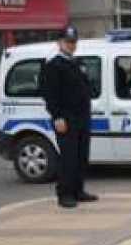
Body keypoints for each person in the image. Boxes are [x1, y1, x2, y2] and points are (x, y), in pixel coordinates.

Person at [41, 26, 98, 209]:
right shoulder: (54, 65)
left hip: (82, 117)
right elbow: (50, 94)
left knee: (81, 156)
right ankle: (64, 194)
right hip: (66, 118)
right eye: (68, 42)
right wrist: (57, 117)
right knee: (68, 158)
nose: (71, 45)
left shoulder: (76, 63)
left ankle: (78, 190)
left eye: (73, 42)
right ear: (59, 43)